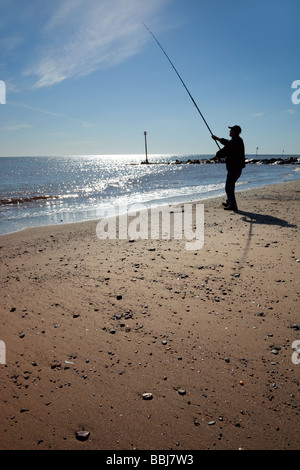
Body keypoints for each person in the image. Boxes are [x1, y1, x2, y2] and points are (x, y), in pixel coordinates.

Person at [212, 125, 245, 211]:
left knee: (229, 187)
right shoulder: (237, 140)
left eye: (231, 130)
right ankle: (229, 201)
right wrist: (217, 139)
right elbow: (227, 142)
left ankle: (233, 205)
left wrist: (217, 155)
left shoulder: (235, 142)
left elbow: (224, 150)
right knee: (230, 185)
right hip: (237, 168)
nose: (229, 132)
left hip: (234, 168)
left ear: (235, 132)